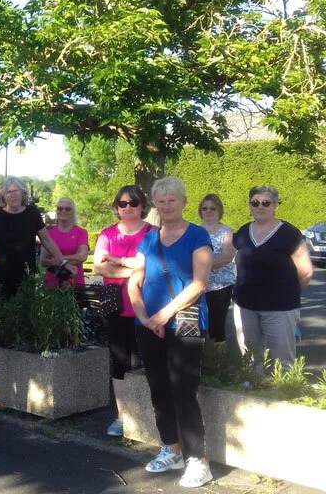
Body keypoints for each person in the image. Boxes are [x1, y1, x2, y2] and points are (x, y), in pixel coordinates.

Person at [127, 177, 214, 488]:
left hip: (184, 324)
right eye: (161, 201)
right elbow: (134, 280)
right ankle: (172, 449)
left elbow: (199, 283)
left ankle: (197, 460)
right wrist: (144, 315)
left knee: (183, 392)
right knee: (159, 390)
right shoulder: (149, 239)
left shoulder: (197, 235)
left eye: (172, 200)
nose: (166, 205)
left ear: (183, 201)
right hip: (149, 326)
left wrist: (163, 314)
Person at [93, 185, 152, 437]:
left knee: (145, 362)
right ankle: (121, 416)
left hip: (147, 308)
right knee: (119, 362)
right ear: (116, 208)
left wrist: (116, 262)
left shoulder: (153, 233)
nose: (128, 208)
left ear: (142, 206)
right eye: (122, 204)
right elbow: (99, 268)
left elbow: (156, 266)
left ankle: (144, 415)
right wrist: (135, 270)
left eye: (133, 203)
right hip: (116, 307)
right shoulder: (107, 234)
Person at [232, 185, 313, 370]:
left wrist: (285, 292)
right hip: (245, 306)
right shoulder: (243, 231)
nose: (260, 206)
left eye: (266, 203)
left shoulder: (289, 233)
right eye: (255, 203)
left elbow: (306, 272)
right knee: (250, 358)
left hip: (280, 308)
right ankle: (252, 391)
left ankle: (283, 394)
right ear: (250, 205)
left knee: (282, 359)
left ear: (275, 205)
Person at [0, 176, 65, 297]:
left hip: (26, 276)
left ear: (22, 192)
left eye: (15, 190)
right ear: (3, 196)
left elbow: (47, 240)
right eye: (8, 192)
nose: (13, 194)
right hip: (0, 276)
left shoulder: (32, 213)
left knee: (27, 313)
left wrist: (63, 261)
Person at [198, 194, 236, 344]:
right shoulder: (194, 230)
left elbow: (226, 256)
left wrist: (200, 267)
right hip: (197, 286)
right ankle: (201, 362)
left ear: (219, 210)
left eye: (212, 208)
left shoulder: (227, 232)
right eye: (204, 208)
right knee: (197, 326)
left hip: (220, 287)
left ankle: (218, 364)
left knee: (217, 327)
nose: (208, 211)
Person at [42, 197, 88, 287]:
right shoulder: (48, 233)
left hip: (74, 281)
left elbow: (82, 256)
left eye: (68, 209)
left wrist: (58, 259)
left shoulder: (81, 232)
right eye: (60, 208)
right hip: (52, 282)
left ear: (73, 211)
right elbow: (43, 261)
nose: (63, 211)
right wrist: (72, 258)